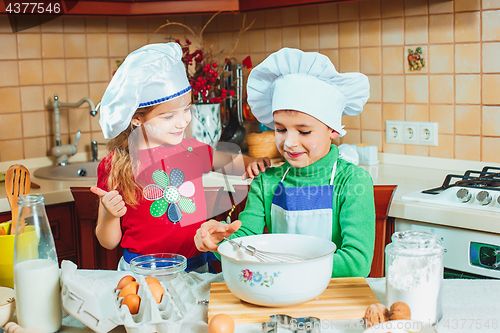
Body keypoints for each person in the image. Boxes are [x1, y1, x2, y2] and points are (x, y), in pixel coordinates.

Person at [194, 47, 376, 277]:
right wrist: (221, 241)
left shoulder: (352, 181)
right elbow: (245, 238)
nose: (289, 143)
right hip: (279, 295)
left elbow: (356, 262)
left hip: (334, 298)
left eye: (304, 131)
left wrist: (285, 268)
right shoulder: (267, 181)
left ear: (332, 129)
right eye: (280, 129)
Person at [90, 43, 269, 272]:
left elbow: (235, 162)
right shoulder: (115, 166)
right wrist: (109, 215)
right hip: (142, 274)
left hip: (195, 269)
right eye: (168, 116)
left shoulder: (194, 150)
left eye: (187, 109)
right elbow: (108, 241)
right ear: (137, 119)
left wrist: (254, 164)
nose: (183, 121)